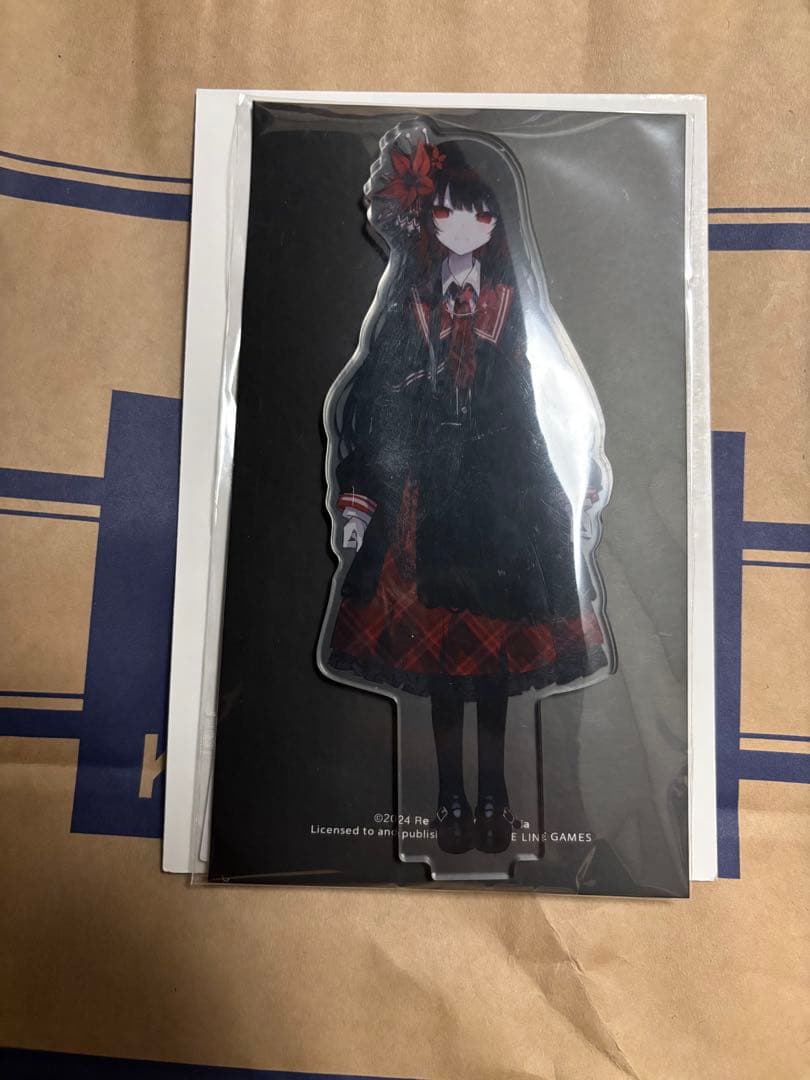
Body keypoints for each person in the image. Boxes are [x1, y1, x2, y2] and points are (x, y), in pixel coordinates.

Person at [320, 122, 613, 854]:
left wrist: (574, 492)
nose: (462, 225)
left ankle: (497, 796)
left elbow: (547, 411)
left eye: (478, 212)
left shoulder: (513, 309)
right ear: (426, 217)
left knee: (493, 672)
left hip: (501, 509)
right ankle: (449, 797)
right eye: (446, 210)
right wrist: (360, 497)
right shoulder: (410, 306)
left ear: (494, 221)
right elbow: (373, 403)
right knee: (445, 669)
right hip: (426, 506)